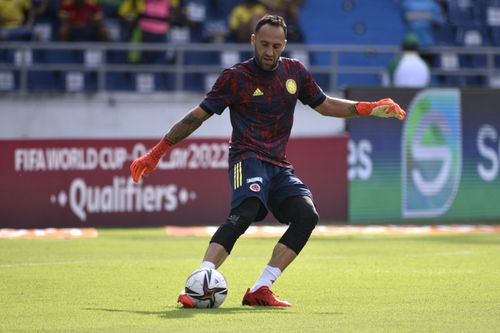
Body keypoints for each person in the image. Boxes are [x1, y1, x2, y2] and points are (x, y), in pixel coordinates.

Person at [130, 15, 406, 307]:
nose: (269, 51)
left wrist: (368, 108)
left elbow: (324, 104)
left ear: (284, 44)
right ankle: (201, 279)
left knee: (306, 215)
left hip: (278, 164)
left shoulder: (294, 72)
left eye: (276, 45)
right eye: (264, 44)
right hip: (246, 157)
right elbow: (196, 117)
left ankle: (261, 287)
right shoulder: (235, 77)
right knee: (247, 210)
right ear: (253, 41)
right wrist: (157, 152)